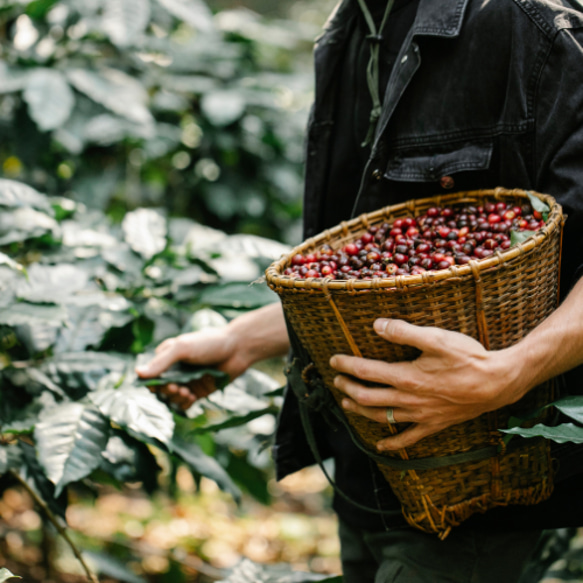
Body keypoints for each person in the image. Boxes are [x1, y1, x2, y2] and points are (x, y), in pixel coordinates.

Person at [136, 0, 583, 581]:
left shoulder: (526, 25)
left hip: (480, 486)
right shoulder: (351, 29)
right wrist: (241, 341)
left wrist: (511, 371)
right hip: (368, 469)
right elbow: (380, 277)